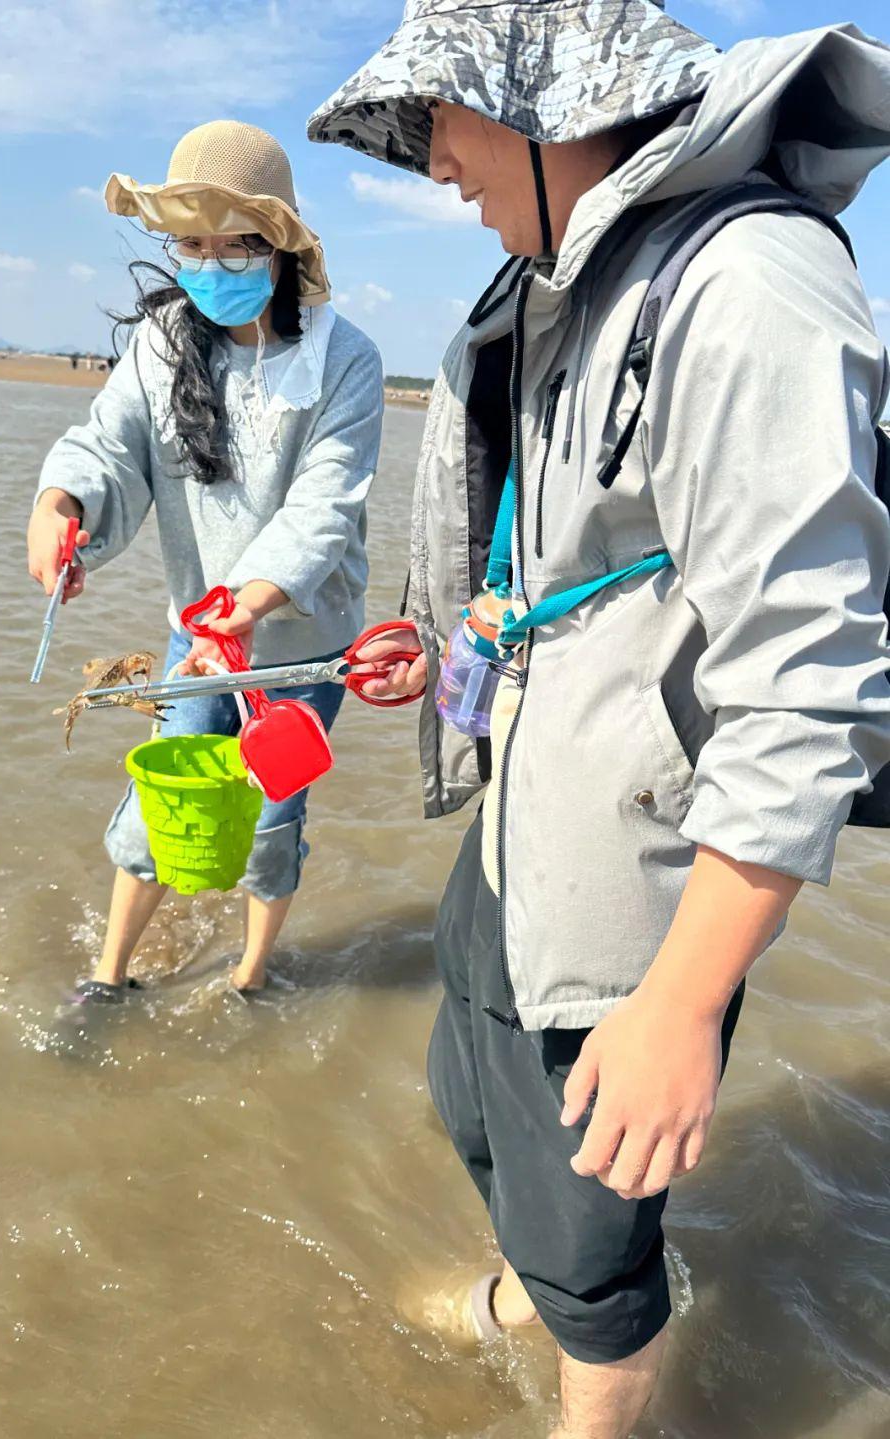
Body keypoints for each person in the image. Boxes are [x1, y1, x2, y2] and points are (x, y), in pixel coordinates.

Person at [309, 7, 890, 1437]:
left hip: (631, 880)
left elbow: (810, 679)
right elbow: (594, 578)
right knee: (476, 1093)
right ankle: (537, 1293)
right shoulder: (570, 285)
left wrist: (684, 1002)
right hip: (527, 818)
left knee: (598, 1218)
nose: (435, 162)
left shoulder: (746, 281)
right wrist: (455, 650)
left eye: (445, 113)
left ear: (554, 103)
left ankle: (598, 1387)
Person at [28, 121, 383, 999]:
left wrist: (252, 602)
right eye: (192, 243)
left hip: (303, 652)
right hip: (200, 648)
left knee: (273, 819)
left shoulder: (348, 361)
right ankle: (108, 976)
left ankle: (251, 979)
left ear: (284, 247)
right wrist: (61, 504)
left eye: (239, 245)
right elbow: (108, 446)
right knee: (164, 803)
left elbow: (323, 508)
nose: (212, 263)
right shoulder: (160, 347)